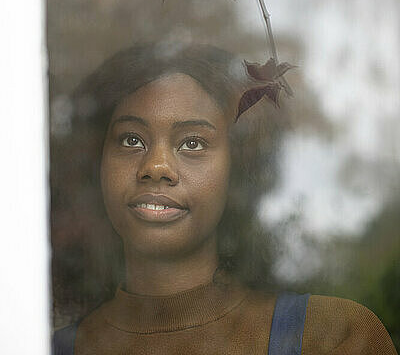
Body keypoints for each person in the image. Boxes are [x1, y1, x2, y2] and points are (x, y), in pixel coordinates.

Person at [52, 42, 398, 355]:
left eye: (192, 143)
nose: (156, 166)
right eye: (130, 140)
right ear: (97, 164)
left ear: (238, 170)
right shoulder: (39, 345)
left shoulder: (329, 337)